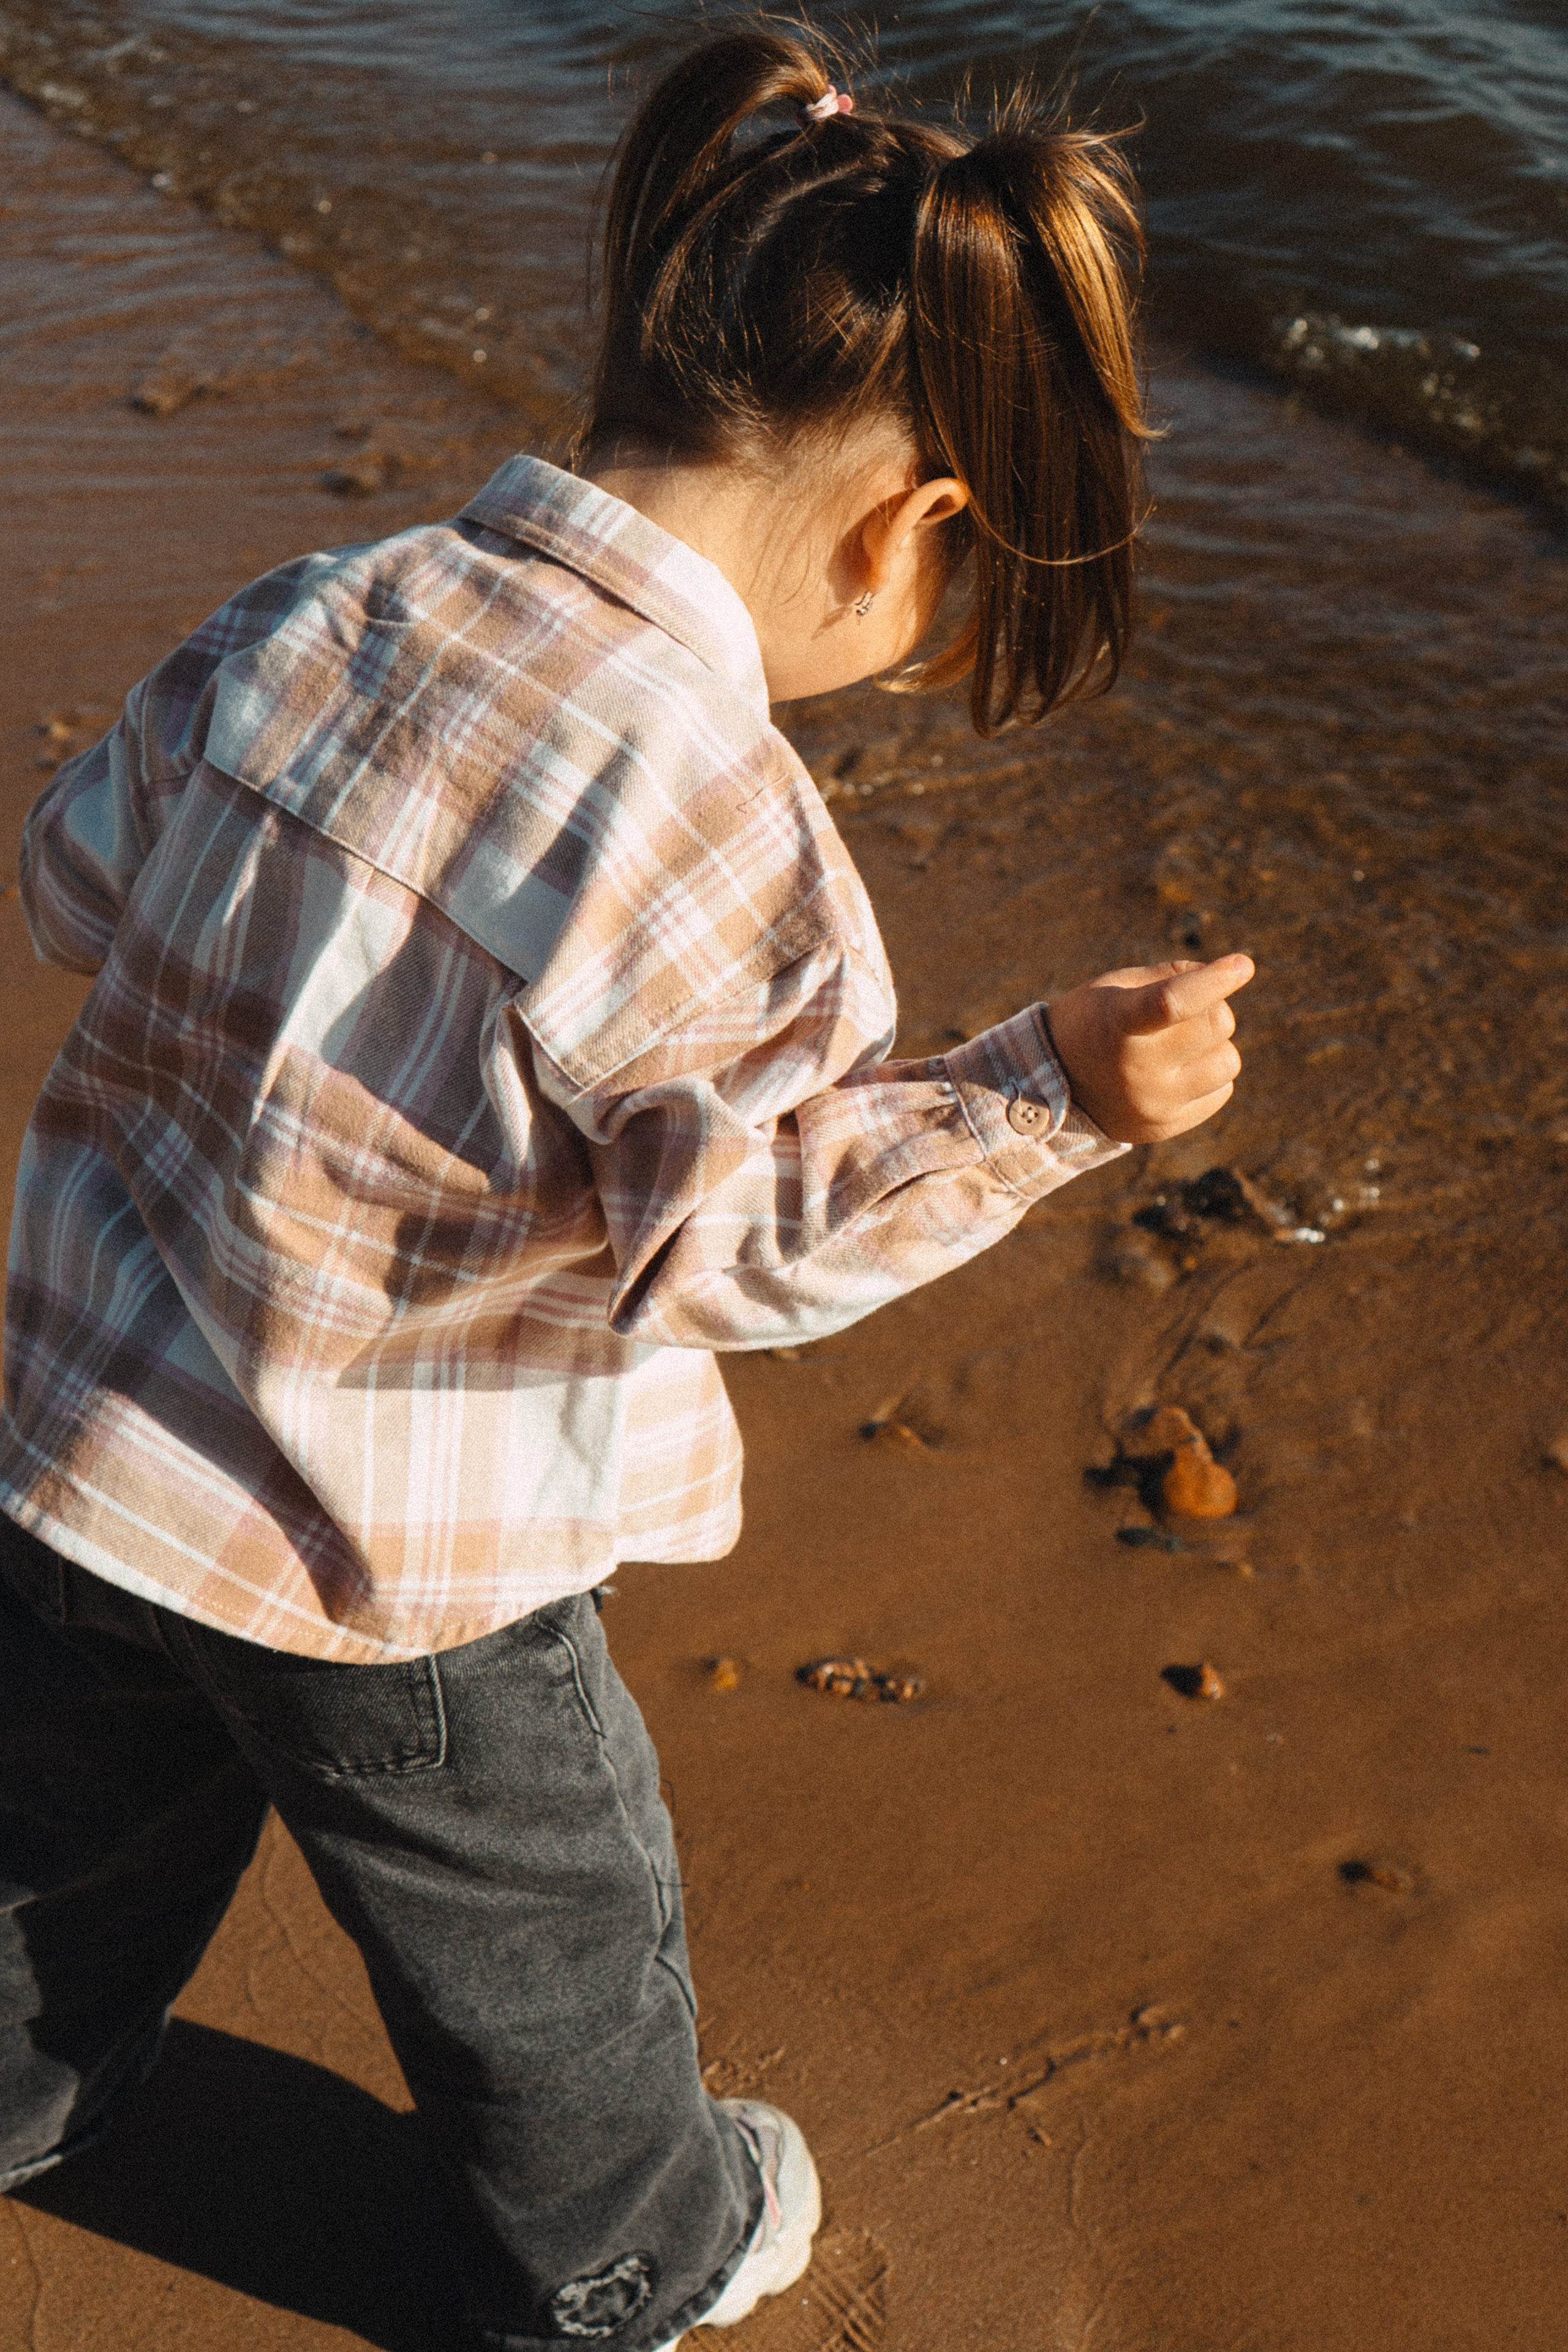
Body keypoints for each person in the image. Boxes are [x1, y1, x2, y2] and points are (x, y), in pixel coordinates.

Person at [0, 23, 1253, 2350]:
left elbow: (78, 882)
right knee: (545, 1938)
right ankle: (630, 2255)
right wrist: (1041, 1086)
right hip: (412, 1562)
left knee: (56, 1846)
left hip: (90, 1447)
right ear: (907, 533)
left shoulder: (317, 608)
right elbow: (750, 1242)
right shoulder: (717, 827)